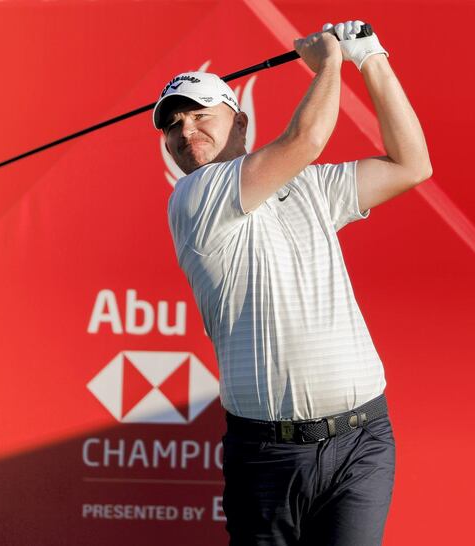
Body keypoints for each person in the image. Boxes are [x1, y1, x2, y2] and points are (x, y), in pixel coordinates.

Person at [153, 20, 431, 546]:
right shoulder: (192, 198)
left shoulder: (307, 187)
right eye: (172, 126)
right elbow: (306, 139)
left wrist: (371, 58)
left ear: (239, 122)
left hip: (362, 439)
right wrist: (329, 60)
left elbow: (411, 164)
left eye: (198, 115)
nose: (185, 132)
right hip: (268, 455)